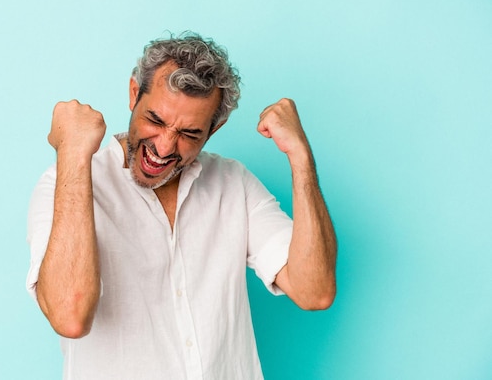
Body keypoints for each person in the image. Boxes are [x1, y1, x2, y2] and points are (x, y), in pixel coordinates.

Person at [26, 32, 337, 380]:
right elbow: (69, 316)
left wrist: (300, 156)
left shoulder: (234, 183)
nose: (164, 146)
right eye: (155, 121)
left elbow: (315, 292)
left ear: (214, 129)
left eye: (189, 133)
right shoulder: (65, 183)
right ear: (134, 94)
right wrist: (71, 152)